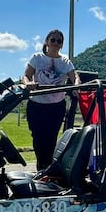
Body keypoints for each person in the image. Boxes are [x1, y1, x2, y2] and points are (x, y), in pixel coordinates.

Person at [22, 29, 80, 171]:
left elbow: (75, 77)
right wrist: (28, 84)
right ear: (47, 42)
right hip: (37, 106)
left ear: (61, 45)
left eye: (58, 41)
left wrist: (76, 86)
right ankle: (41, 167)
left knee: (51, 138)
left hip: (56, 107)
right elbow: (26, 76)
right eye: (52, 40)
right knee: (38, 138)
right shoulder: (37, 58)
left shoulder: (65, 61)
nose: (55, 43)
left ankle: (47, 169)